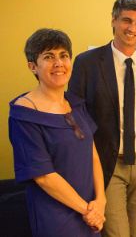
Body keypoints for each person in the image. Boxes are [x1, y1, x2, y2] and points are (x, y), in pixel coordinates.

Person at [68, 0, 136, 237]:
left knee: (133, 232)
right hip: (107, 165)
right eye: (126, 20)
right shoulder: (87, 62)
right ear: (113, 21)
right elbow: (75, 116)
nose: (132, 28)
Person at [9, 28, 106, 237]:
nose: (58, 63)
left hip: (90, 210)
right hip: (56, 216)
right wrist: (88, 211)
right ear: (32, 66)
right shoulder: (24, 114)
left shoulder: (76, 104)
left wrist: (101, 201)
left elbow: (93, 155)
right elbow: (44, 176)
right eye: (48, 57)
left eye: (64, 56)